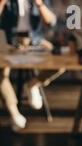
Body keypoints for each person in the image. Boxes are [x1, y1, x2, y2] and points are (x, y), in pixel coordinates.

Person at [0, 0, 64, 131]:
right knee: (1, 74)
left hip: (35, 40)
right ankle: (14, 113)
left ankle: (32, 84)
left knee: (60, 61)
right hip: (10, 41)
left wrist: (39, 4)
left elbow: (51, 21)